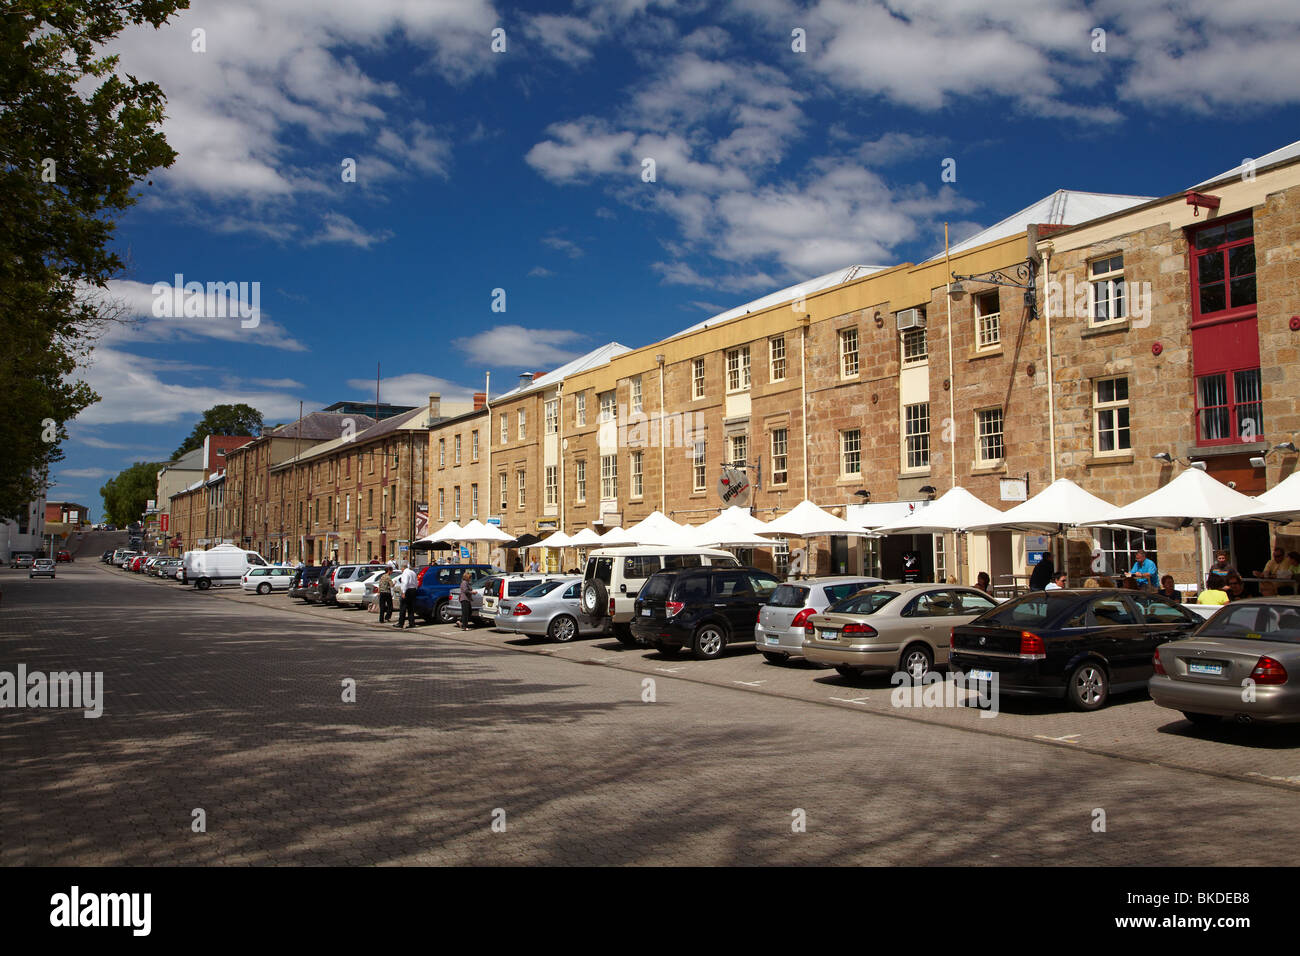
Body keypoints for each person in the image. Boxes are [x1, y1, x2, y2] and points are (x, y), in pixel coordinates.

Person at [395, 563, 419, 628]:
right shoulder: (413, 572)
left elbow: (405, 583)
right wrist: (415, 589)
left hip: (407, 591)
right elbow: (417, 582)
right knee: (411, 608)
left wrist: (403, 592)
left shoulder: (405, 573)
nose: (401, 570)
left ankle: (400, 623)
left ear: (403, 568)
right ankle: (412, 623)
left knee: (403, 608)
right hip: (413, 590)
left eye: (401, 569)